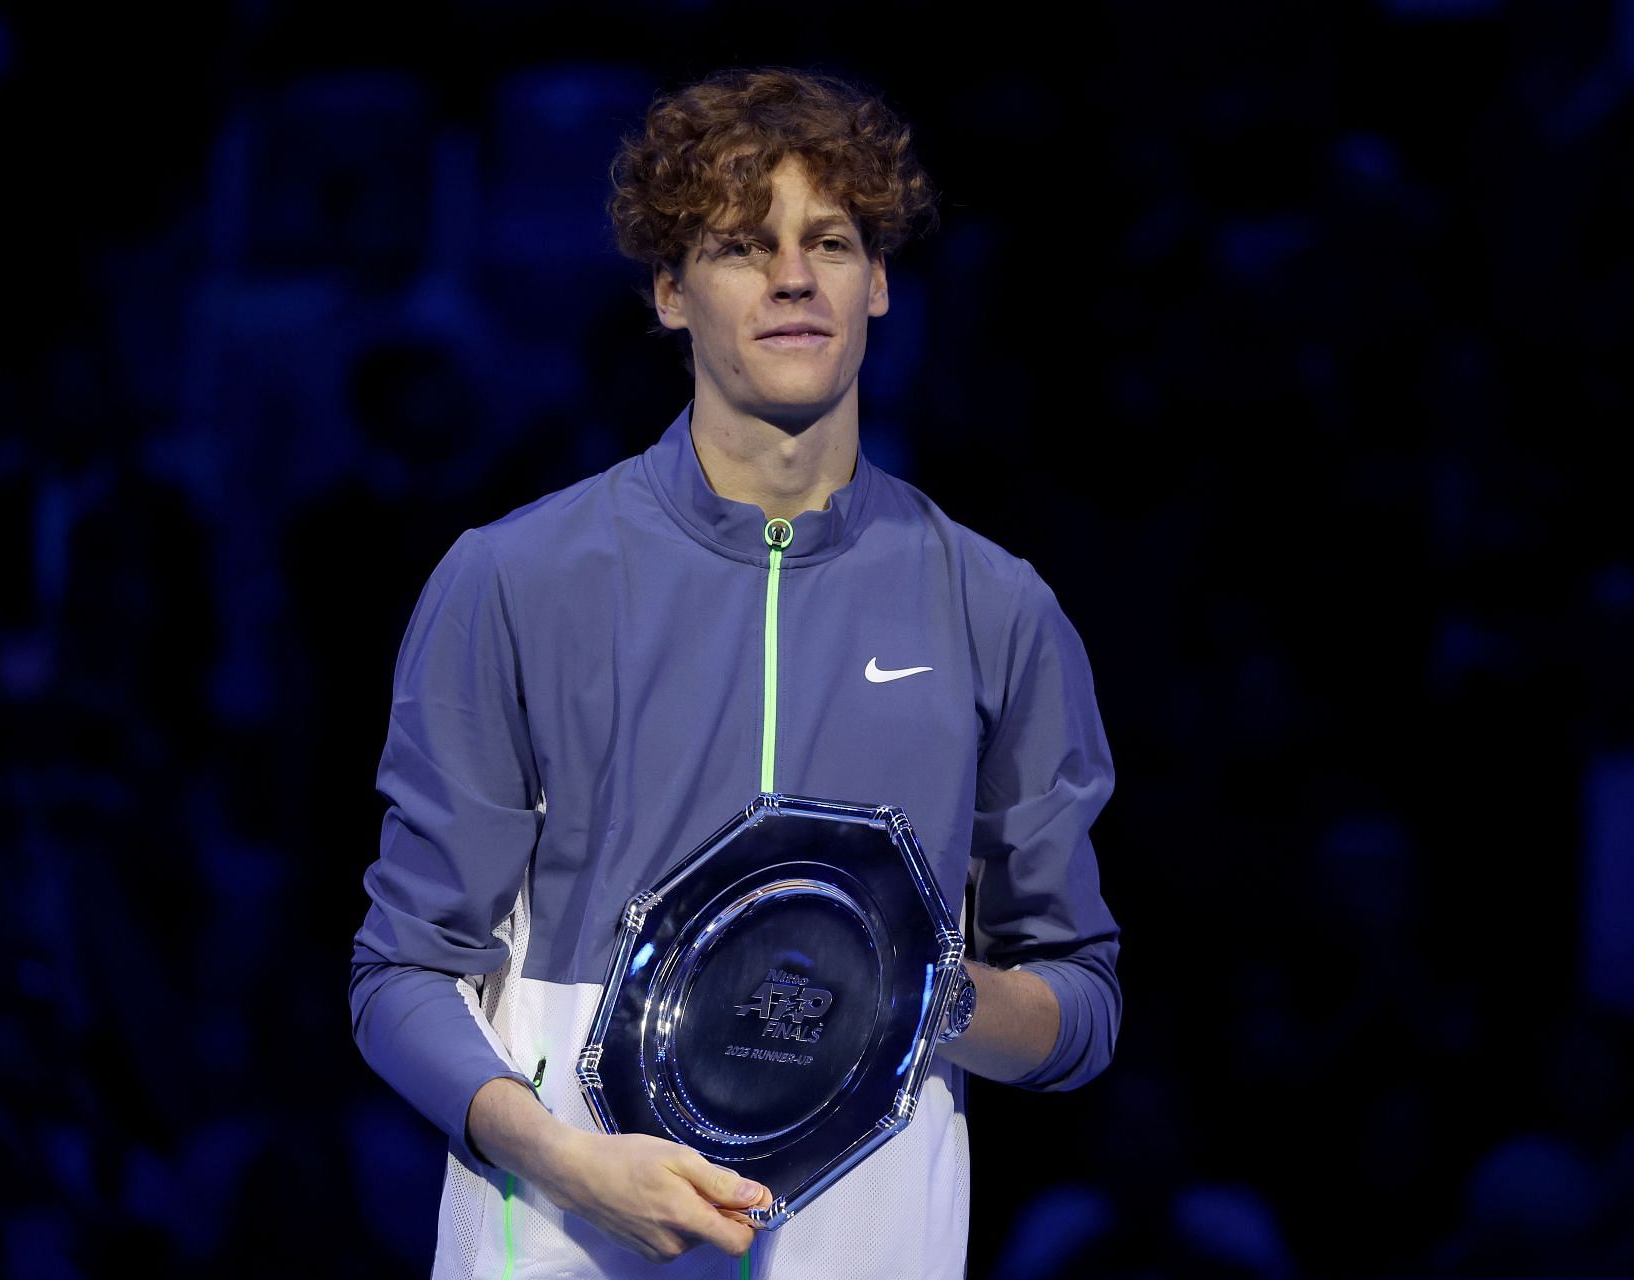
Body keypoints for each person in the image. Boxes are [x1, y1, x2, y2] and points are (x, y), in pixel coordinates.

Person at [349, 67, 1121, 1279]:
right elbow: (403, 974)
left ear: (878, 285)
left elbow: (1078, 1005)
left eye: (831, 240)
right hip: (563, 1232)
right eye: (740, 245)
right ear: (669, 292)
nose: (795, 276)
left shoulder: (995, 607)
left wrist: (918, 990)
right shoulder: (515, 578)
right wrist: (562, 1158)